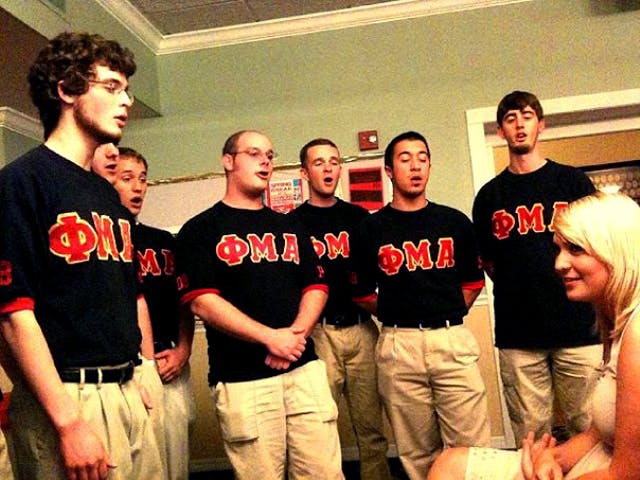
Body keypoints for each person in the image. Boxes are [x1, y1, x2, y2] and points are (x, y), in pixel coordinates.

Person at [0, 32, 163, 479]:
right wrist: (68, 422)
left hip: (125, 388)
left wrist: (136, 375)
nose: (126, 101)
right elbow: (13, 316)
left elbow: (120, 297)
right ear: (67, 90)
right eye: (111, 87)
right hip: (69, 398)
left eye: (127, 90)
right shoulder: (21, 183)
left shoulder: (105, 194)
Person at [428, 191, 640, 480]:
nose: (559, 264)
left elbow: (626, 475)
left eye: (576, 249)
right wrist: (550, 458)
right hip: (599, 457)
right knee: (450, 464)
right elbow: (596, 434)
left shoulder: (637, 333)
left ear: (616, 252)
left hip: (612, 472)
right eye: (559, 249)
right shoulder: (614, 321)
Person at [175, 130, 344, 479]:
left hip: (303, 370)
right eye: (254, 153)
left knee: (325, 473)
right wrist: (270, 338)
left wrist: (293, 338)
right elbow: (202, 302)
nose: (265, 161)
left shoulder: (291, 225)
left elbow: (316, 286)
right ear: (228, 161)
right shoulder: (200, 230)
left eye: (269, 155)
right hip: (244, 381)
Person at [350, 131, 490, 480]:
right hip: (400, 345)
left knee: (471, 447)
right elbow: (362, 293)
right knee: (416, 452)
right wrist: (400, 313)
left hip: (451, 339)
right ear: (388, 170)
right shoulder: (370, 228)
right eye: (405, 158)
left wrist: (441, 310)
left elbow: (473, 283)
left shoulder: (454, 221)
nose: (415, 166)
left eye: (422, 158)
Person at [472, 91, 601, 443]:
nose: (519, 125)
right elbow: (489, 262)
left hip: (579, 330)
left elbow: (597, 247)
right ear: (500, 131)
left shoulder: (572, 182)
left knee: (590, 428)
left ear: (540, 125)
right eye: (511, 118)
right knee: (531, 436)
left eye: (527, 116)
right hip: (519, 336)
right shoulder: (489, 197)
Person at [289, 138, 391, 480]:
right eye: (319, 162)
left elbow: (380, 271)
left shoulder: (359, 218)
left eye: (333, 161)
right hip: (319, 333)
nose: (328, 168)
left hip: (362, 328)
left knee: (371, 427)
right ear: (305, 172)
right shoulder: (291, 224)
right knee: (319, 426)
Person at [114, 147, 196, 480]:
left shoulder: (163, 241)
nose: (137, 187)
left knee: (175, 467)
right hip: (123, 370)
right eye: (127, 178)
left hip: (169, 363)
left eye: (143, 179)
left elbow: (184, 301)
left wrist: (184, 349)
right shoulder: (103, 242)